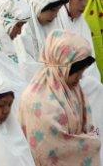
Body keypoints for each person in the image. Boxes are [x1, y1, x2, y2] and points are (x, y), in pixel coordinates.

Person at [18, 30, 101, 166]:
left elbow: (86, 125)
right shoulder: (37, 101)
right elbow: (53, 149)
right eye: (77, 72)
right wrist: (92, 144)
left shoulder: (71, 89)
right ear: (63, 69)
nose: (81, 77)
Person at [13, 0, 69, 81]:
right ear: (37, 5)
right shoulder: (22, 30)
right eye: (52, 10)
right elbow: (26, 69)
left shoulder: (55, 25)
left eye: (58, 10)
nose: (56, 15)